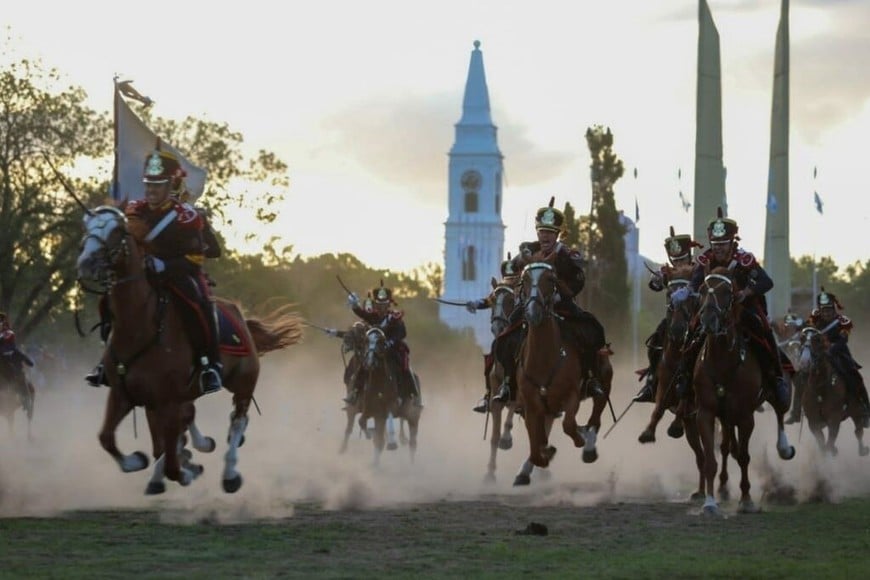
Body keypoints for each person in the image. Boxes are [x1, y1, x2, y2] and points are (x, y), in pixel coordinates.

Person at [84, 150, 223, 395]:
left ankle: (210, 364)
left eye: (157, 185)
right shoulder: (132, 210)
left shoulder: (186, 217)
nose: (150, 189)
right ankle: (107, 362)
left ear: (171, 184)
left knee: (198, 303)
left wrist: (164, 265)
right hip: (141, 275)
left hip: (176, 275)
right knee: (108, 302)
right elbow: (120, 242)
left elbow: (196, 257)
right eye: (148, 183)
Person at [492, 197, 607, 406]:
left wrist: (563, 289)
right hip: (531, 304)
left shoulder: (567, 253)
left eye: (549, 232)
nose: (544, 236)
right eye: (541, 231)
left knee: (592, 330)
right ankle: (508, 382)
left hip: (560, 304)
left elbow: (579, 274)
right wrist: (523, 257)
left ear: (557, 234)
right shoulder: (529, 249)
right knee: (504, 339)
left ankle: (590, 378)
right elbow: (516, 265)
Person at [680, 207, 790, 409]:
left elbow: (767, 282)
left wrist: (746, 292)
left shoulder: (744, 259)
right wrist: (687, 291)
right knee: (692, 331)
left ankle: (776, 379)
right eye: (715, 244)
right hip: (713, 308)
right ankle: (685, 380)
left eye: (723, 244)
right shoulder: (706, 259)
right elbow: (695, 281)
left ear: (732, 242)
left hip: (744, 307)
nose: (719, 248)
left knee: (763, 331)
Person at [633, 228, 701, 403]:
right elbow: (654, 286)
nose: (679, 263)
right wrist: (657, 279)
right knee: (655, 341)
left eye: (682, 259)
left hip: (697, 318)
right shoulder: (669, 273)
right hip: (674, 319)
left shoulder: (698, 271)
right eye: (675, 260)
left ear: (689, 256)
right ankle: (651, 383)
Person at [342, 281, 421, 407]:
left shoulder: (395, 317)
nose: (381, 307)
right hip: (377, 350)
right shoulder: (373, 317)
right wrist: (355, 305)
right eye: (379, 305)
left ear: (389, 304)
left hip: (392, 350)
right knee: (364, 364)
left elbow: (402, 332)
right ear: (375, 305)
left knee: (404, 366)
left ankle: (413, 394)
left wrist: (391, 341)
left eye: (384, 305)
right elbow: (361, 313)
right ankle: (355, 392)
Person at [805, 288, 870, 426]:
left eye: (829, 310)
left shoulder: (843, 321)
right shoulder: (814, 318)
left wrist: (831, 349)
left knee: (854, 376)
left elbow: (843, 340)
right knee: (801, 375)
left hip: (838, 353)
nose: (826, 313)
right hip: (817, 353)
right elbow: (808, 332)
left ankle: (865, 409)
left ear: (834, 309)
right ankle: (797, 409)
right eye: (824, 310)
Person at [468, 255, 521, 413]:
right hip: (506, 332)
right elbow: (489, 301)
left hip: (521, 329)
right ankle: (488, 394)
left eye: (513, 276)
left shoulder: (524, 287)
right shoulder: (501, 290)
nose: (510, 279)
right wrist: (475, 303)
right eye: (507, 276)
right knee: (491, 356)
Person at [0, 312, 34, 405]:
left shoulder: (8, 332)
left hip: (8, 352)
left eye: (1, 320)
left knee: (19, 372)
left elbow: (7, 338)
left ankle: (25, 397)